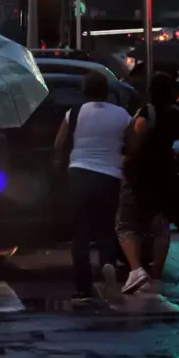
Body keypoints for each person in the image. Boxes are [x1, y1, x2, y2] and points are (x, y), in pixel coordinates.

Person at [54, 71, 132, 303]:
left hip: (79, 174)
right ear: (106, 91)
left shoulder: (74, 114)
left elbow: (59, 144)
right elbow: (133, 143)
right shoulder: (122, 115)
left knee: (80, 233)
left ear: (84, 91)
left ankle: (83, 288)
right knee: (105, 228)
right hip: (109, 176)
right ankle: (108, 263)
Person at [117, 72, 179, 293]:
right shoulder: (173, 112)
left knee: (127, 223)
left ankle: (136, 269)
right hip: (165, 173)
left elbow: (137, 137)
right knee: (160, 224)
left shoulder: (148, 112)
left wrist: (127, 156)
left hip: (141, 174)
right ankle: (156, 272)